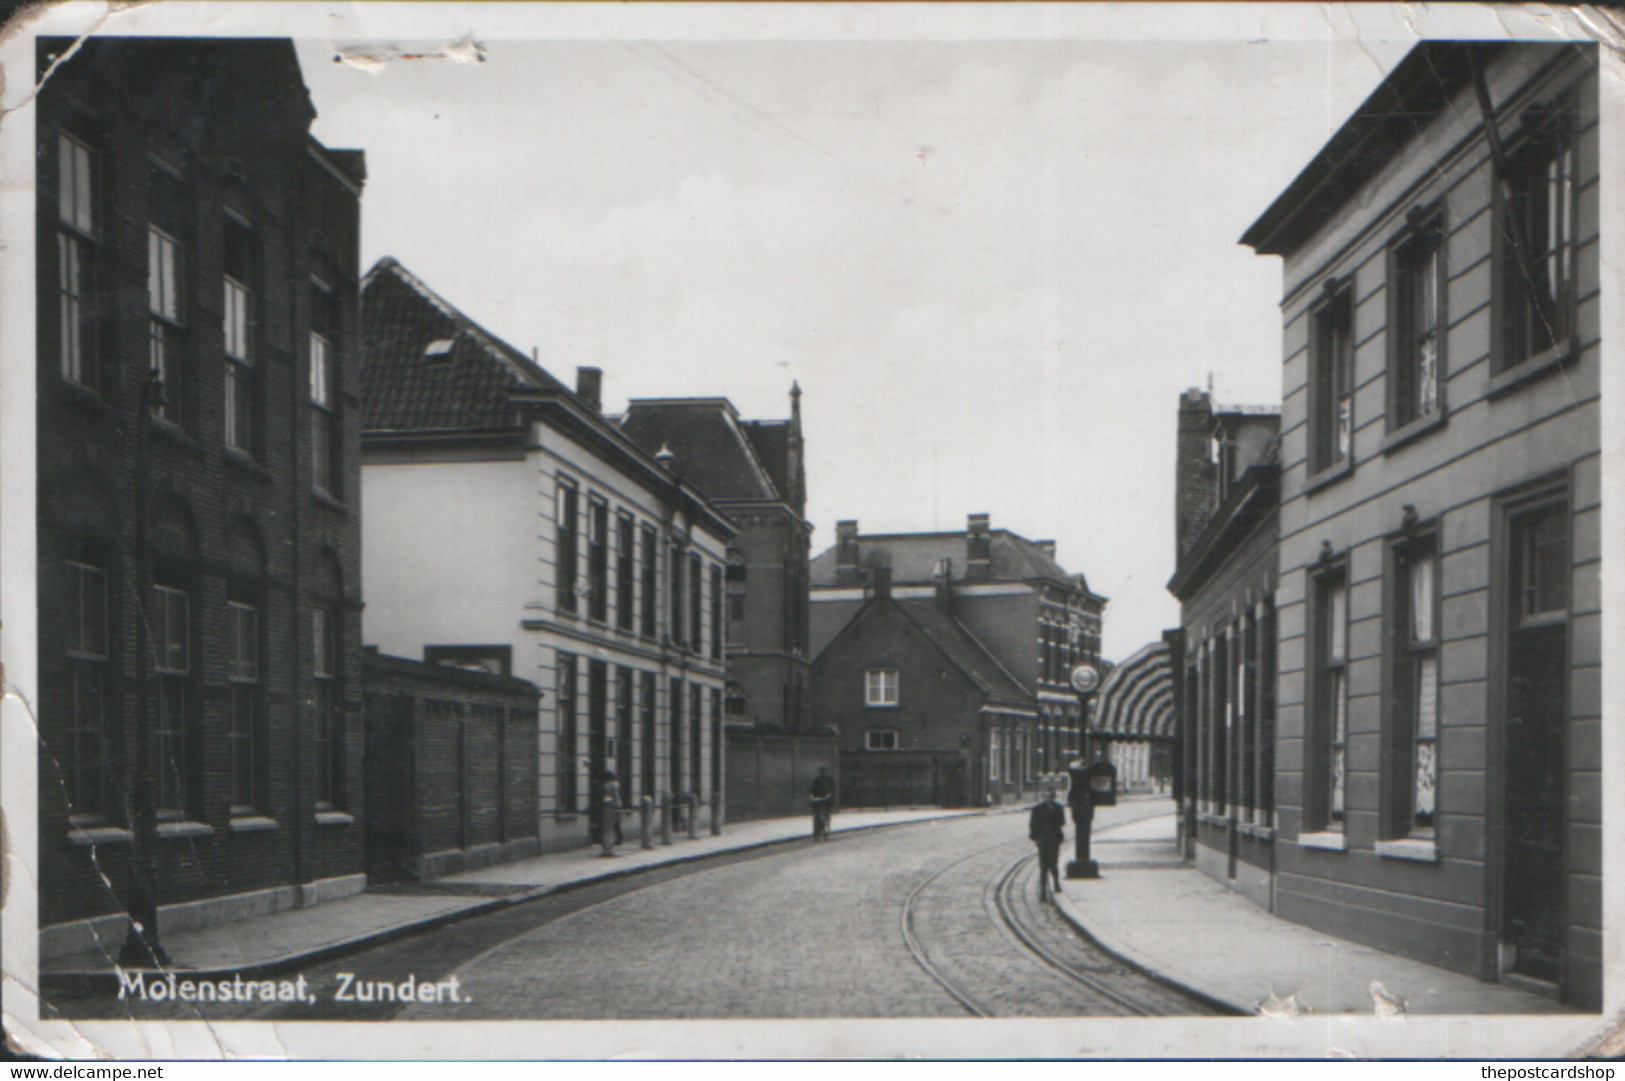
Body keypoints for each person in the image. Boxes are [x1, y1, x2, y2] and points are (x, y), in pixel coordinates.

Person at [1028, 788, 1066, 901]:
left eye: (1050, 796)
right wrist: (1036, 838)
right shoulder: (1037, 810)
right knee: (1043, 867)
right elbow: (1033, 824)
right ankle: (1043, 893)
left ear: (1054, 797)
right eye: (1046, 796)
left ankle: (1056, 884)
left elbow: (1062, 822)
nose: (1048, 798)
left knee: (1053, 863)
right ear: (1043, 797)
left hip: (1054, 839)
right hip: (1043, 840)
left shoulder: (1059, 808)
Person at [809, 765, 836, 841]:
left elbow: (833, 789)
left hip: (826, 800)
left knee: (825, 814)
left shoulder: (829, 779)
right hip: (818, 799)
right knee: (816, 816)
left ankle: (825, 829)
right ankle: (816, 832)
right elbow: (812, 789)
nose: (822, 772)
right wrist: (811, 796)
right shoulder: (816, 779)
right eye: (821, 771)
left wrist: (829, 795)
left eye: (823, 771)